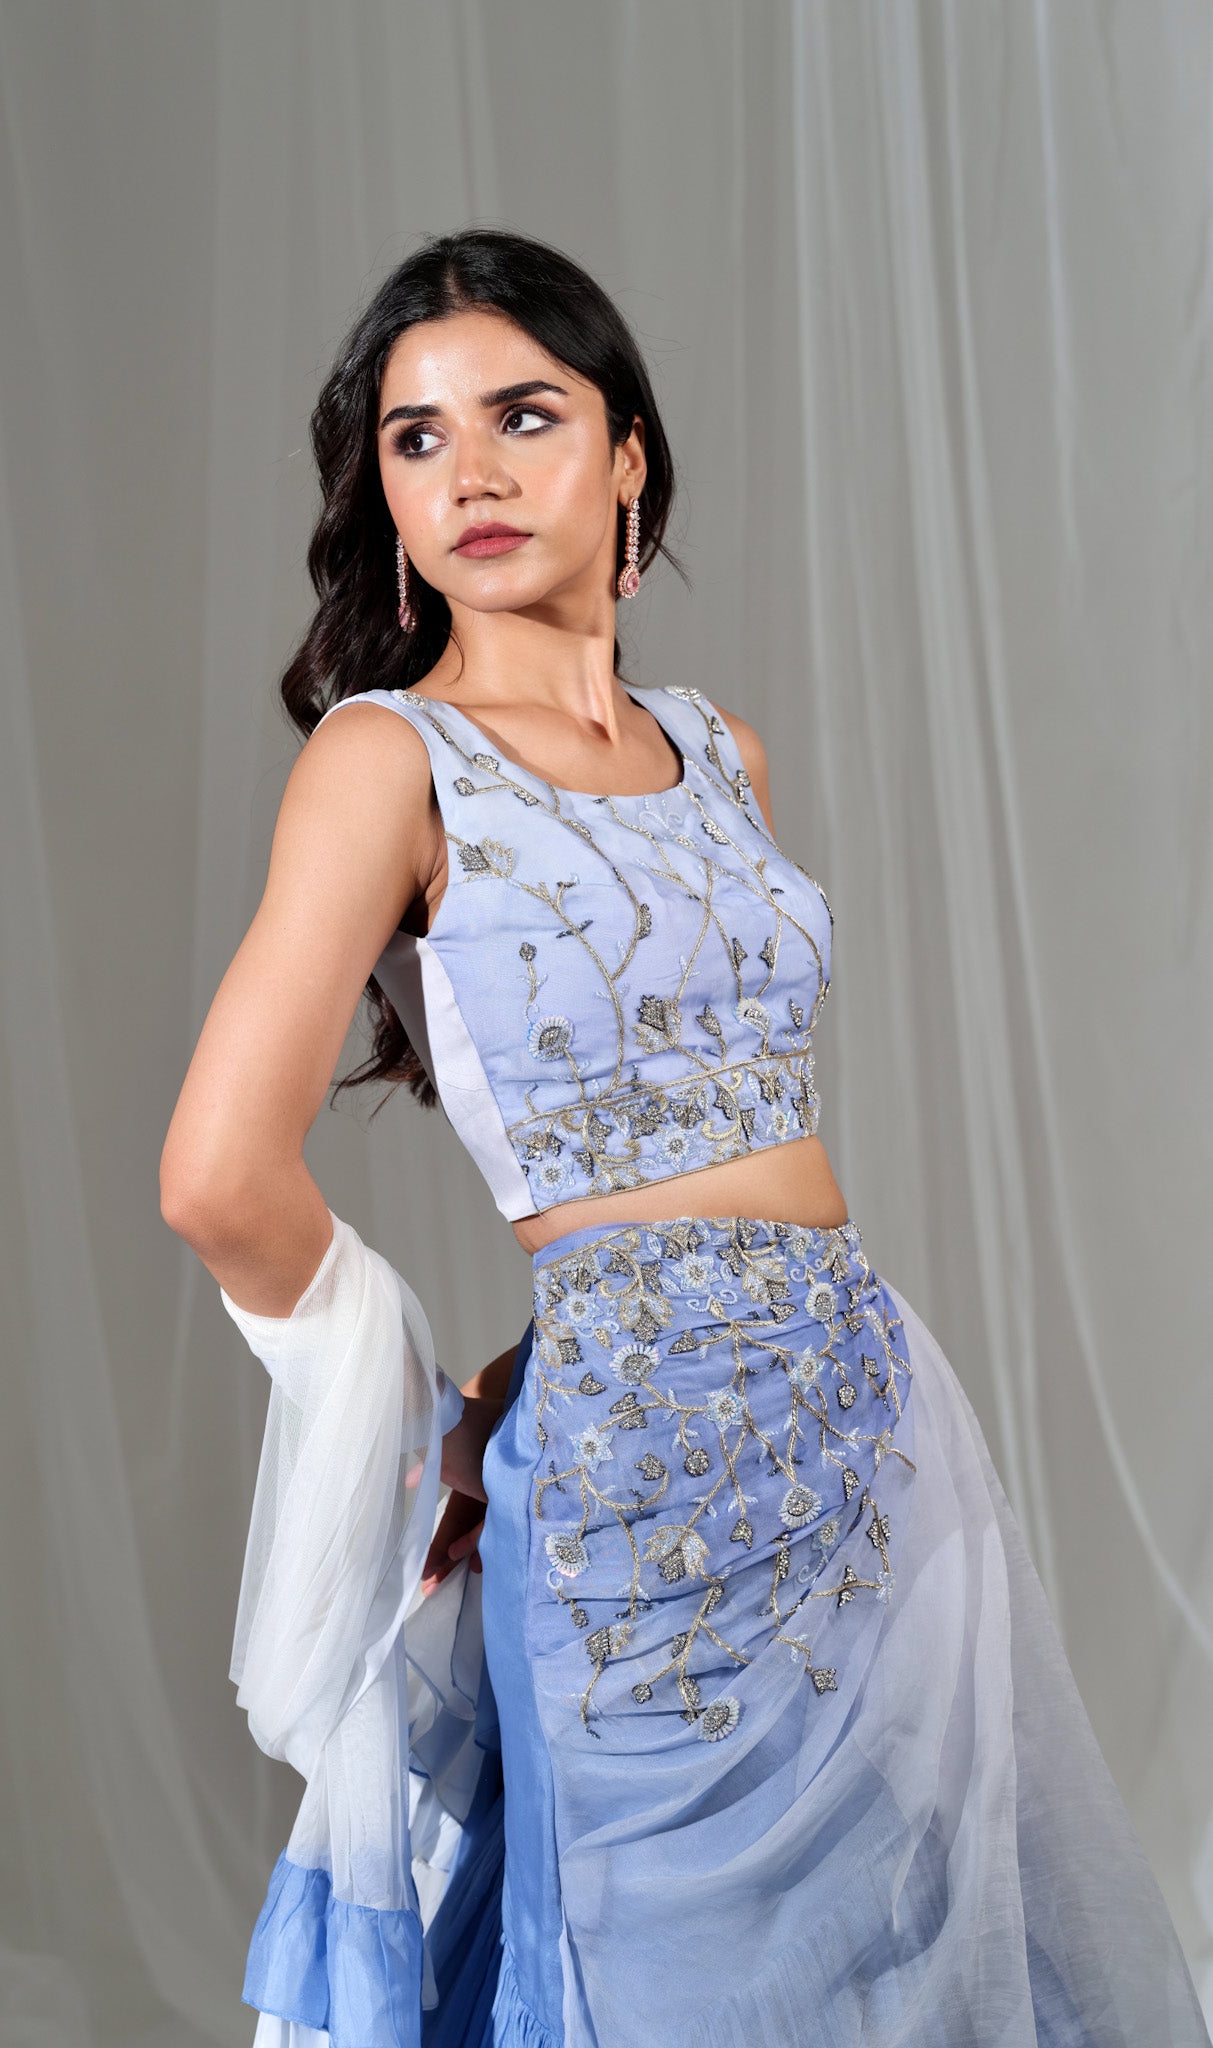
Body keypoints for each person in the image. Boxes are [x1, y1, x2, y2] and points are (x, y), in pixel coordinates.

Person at [160, 229, 1210, 2048]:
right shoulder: (385, 759)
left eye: (522, 415)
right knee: (670, 1988)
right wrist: (407, 1416)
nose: (469, 472)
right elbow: (217, 1177)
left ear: (626, 450)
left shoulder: (720, 748)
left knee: (926, 1966)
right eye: (415, 439)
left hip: (874, 1445)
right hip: (632, 1505)